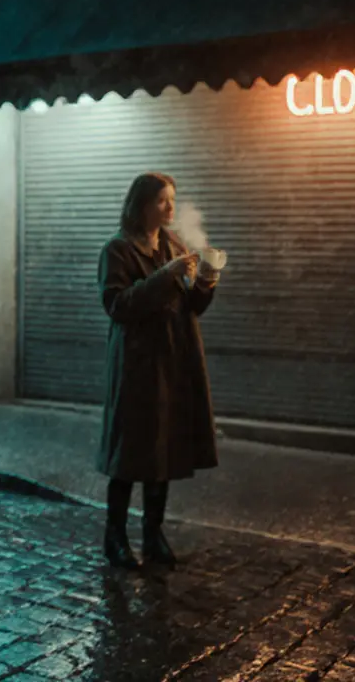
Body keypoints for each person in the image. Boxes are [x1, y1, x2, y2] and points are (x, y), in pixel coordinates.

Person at [96, 172, 219, 570]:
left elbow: (192, 306)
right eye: (163, 201)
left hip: (173, 362)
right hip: (136, 366)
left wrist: (207, 281)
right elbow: (119, 306)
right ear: (142, 204)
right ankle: (115, 538)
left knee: (162, 450)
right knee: (129, 453)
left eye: (173, 200)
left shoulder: (174, 245)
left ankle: (153, 536)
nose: (170, 208)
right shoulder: (117, 250)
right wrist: (166, 277)